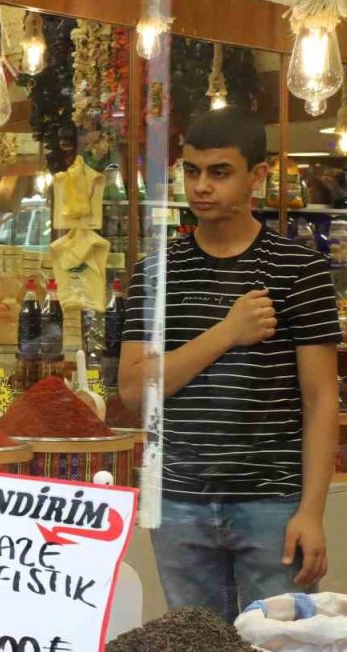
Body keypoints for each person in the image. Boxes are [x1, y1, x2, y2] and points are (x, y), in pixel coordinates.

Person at [119, 107, 337, 622]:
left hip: (272, 501)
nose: (201, 186)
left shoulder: (299, 269)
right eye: (192, 171)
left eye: (220, 172)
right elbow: (133, 390)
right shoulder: (155, 272)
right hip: (178, 502)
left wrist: (312, 511)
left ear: (257, 176)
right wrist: (227, 333)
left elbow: (321, 399)